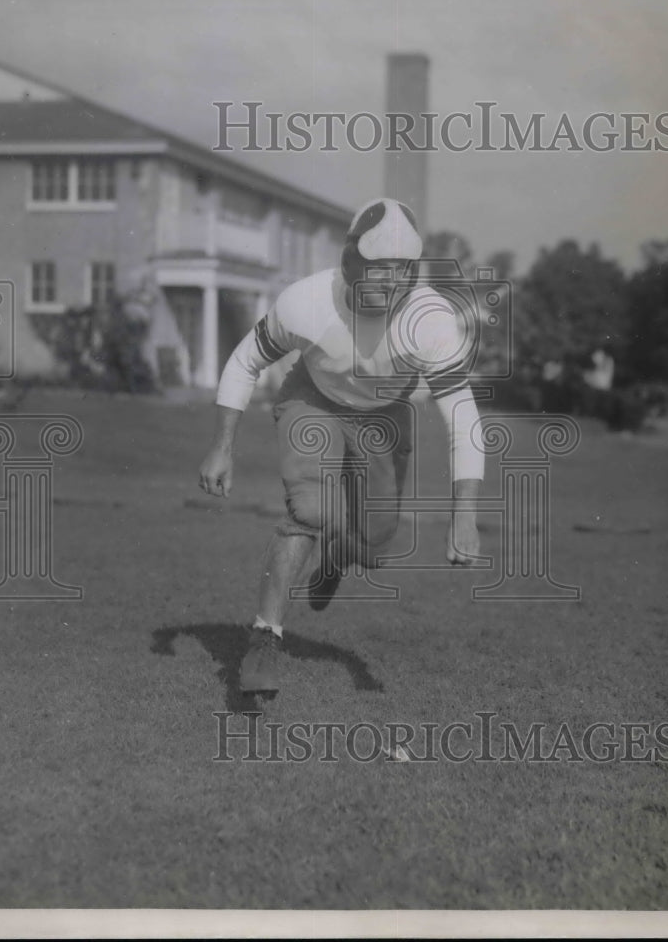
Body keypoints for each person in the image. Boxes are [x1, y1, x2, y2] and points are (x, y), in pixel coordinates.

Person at [199, 198, 485, 693]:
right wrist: (223, 445)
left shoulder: (432, 319)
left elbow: (462, 414)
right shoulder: (307, 302)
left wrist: (465, 514)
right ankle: (264, 639)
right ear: (353, 263)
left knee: (374, 542)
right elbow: (246, 360)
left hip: (386, 414)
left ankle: (335, 557)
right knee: (310, 511)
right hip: (314, 399)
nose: (387, 283)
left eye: (399, 271)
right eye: (378, 269)